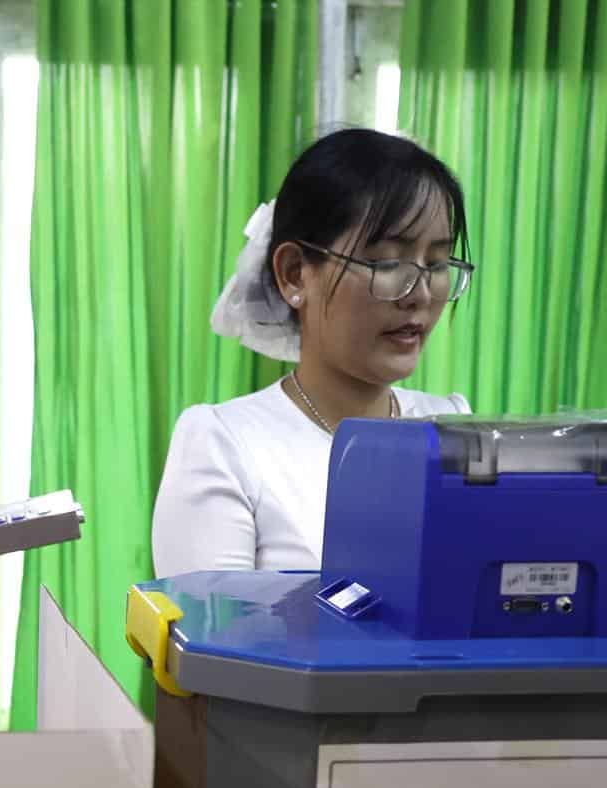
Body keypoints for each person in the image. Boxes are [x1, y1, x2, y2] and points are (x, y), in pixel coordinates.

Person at [151, 128, 475, 578]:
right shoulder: (226, 444)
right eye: (386, 263)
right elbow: (211, 643)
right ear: (295, 275)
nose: (420, 293)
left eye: (437, 264)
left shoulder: (454, 430)